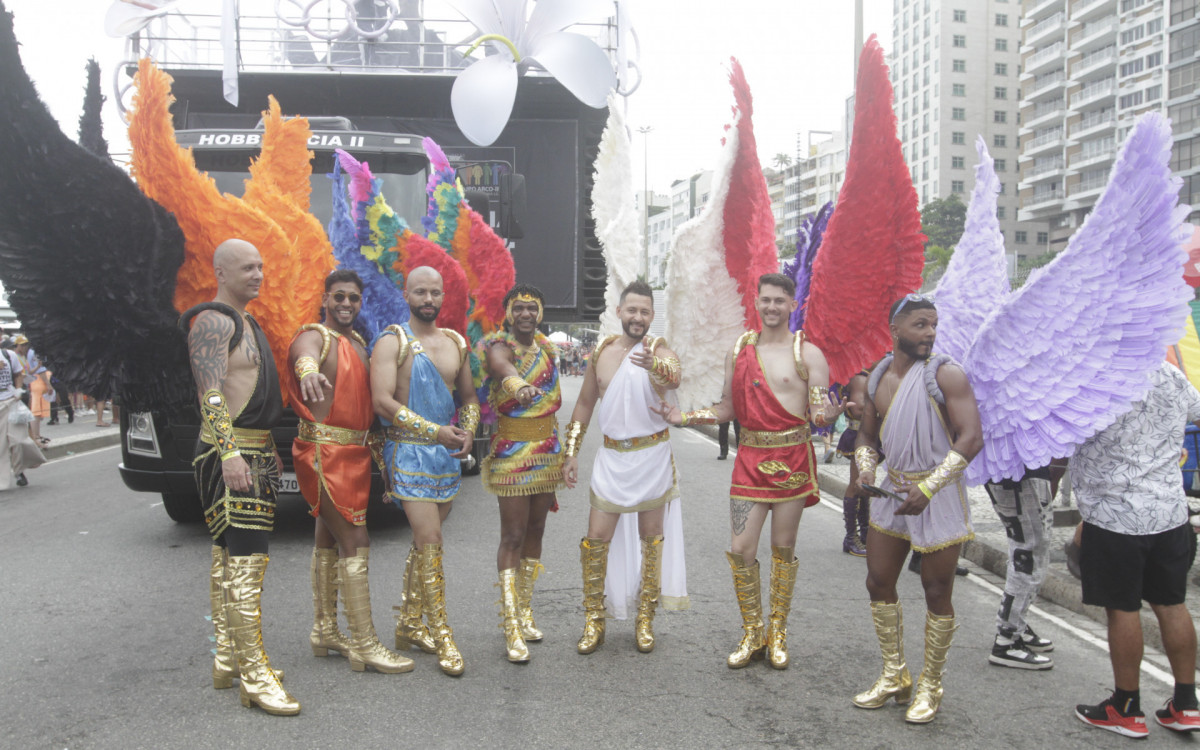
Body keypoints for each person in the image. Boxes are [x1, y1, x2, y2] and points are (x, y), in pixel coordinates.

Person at [658, 273, 839, 671]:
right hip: (750, 461)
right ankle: (752, 630)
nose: (772, 307)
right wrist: (683, 416)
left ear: (794, 305)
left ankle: (778, 631)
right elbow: (727, 410)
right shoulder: (739, 350)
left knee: (782, 550)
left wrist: (833, 414)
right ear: (755, 303)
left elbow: (820, 414)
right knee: (740, 550)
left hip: (791, 461)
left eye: (780, 300)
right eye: (766, 300)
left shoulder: (808, 355)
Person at [850, 294, 983, 724]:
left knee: (936, 589)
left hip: (938, 492)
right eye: (920, 325)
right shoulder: (877, 377)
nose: (930, 334)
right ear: (896, 328)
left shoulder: (945, 374)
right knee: (877, 581)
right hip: (894, 488)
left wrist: (929, 487)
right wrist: (867, 471)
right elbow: (867, 437)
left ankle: (931, 684)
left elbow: (971, 438)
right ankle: (894, 674)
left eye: (933, 325)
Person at [180, 238, 298, 716]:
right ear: (220, 273)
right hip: (230, 453)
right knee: (248, 562)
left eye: (261, 266)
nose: (257, 273)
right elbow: (211, 394)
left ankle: (229, 657)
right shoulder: (213, 320)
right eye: (247, 267)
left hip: (256, 451)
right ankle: (254, 674)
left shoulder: (248, 321)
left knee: (229, 558)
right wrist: (230, 454)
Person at [288, 269, 413, 675]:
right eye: (338, 297)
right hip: (326, 454)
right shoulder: (316, 335)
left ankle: (325, 630)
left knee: (328, 538)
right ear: (325, 298)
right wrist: (307, 371)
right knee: (356, 543)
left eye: (353, 299)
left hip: (356, 454)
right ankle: (364, 643)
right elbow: (302, 352)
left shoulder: (358, 342)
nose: (345, 304)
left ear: (361, 303)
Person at [1072, 361, 1200, 737]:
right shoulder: (1170, 374)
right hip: (1170, 512)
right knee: (1172, 603)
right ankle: (1187, 703)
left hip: (1114, 515)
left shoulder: (1088, 377)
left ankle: (1126, 707)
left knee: (1123, 607)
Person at [563, 280, 688, 655]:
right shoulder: (602, 350)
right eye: (631, 310)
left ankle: (645, 618)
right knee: (595, 539)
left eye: (645, 312)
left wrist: (655, 366)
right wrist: (571, 452)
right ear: (619, 312)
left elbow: (674, 376)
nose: (638, 317)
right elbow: (585, 404)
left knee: (651, 540)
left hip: (651, 457)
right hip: (611, 458)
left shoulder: (660, 350)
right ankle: (593, 619)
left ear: (652, 316)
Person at [372, 266, 476, 677]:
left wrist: (466, 431)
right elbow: (382, 401)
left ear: (443, 295)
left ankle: (410, 623)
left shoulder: (455, 342)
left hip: (445, 457)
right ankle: (442, 633)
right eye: (420, 292)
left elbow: (467, 398)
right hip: (409, 451)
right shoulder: (391, 341)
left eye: (435, 292)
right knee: (430, 540)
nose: (428, 299)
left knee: (424, 544)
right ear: (407, 294)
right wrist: (435, 431)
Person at [480, 285, 565, 663]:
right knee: (512, 535)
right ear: (509, 313)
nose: (526, 314)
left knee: (536, 530)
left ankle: (526, 611)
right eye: (519, 308)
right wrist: (519, 386)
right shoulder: (500, 345)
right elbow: (502, 367)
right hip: (513, 452)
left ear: (540, 312)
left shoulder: (548, 348)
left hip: (547, 452)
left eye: (532, 308)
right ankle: (510, 624)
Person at [981, 466, 1060, 670]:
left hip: (1018, 470)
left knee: (1026, 550)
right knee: (1028, 554)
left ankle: (1016, 625)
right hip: (1018, 473)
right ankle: (1008, 638)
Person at [836, 371, 870, 556]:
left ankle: (866, 533)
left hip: (869, 435)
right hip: (859, 436)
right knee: (856, 484)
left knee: (864, 484)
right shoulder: (859, 378)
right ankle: (851, 537)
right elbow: (857, 408)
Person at [0, 340, 42, 489]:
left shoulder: (8, 355)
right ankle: (5, 479)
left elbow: (19, 375)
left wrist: (18, 390)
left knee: (19, 440)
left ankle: (19, 470)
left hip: (11, 401)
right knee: (1, 446)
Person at [13, 335, 49, 445]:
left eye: (25, 345)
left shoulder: (24, 357)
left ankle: (32, 437)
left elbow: (28, 372)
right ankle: (31, 438)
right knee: (23, 415)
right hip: (18, 388)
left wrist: (38, 367)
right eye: (22, 345)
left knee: (27, 414)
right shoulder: (14, 356)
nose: (24, 347)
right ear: (17, 345)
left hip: (26, 386)